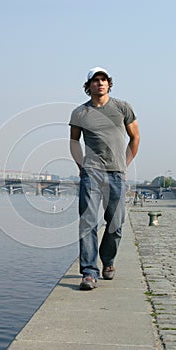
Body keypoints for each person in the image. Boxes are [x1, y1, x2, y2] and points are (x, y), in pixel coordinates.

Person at [69, 67, 140, 290]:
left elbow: (135, 137)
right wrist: (81, 165)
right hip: (91, 173)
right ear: (88, 86)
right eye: (95, 80)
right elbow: (73, 141)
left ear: (109, 84)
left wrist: (124, 164)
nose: (100, 83)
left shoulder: (122, 108)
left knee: (116, 223)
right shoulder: (80, 113)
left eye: (104, 80)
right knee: (88, 222)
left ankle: (108, 260)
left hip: (116, 173)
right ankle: (89, 272)